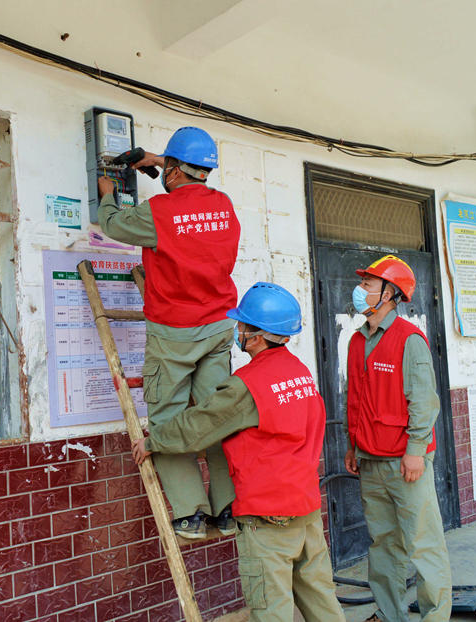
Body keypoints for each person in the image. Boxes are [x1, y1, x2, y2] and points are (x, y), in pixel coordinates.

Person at [132, 282, 346, 622]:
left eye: (242, 325)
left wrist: (152, 441)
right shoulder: (300, 373)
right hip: (306, 512)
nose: (237, 331)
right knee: (323, 606)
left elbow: (198, 425)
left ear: (257, 336)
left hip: (267, 520)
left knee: (272, 613)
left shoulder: (246, 385)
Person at [98, 127, 240, 539]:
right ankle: (227, 509)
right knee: (216, 415)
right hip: (219, 327)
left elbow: (113, 224)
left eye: (168, 167)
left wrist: (108, 192)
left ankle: (191, 514)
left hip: (175, 333)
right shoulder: (224, 206)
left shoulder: (158, 212)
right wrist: (160, 160)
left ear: (175, 170)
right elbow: (191, 187)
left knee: (167, 420)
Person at [344, 255, 452, 622]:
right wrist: (352, 445)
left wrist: (416, 451)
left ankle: (435, 616)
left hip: (406, 461)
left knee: (423, 543)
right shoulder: (356, 341)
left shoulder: (410, 340)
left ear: (389, 294)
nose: (360, 290)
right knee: (384, 544)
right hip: (370, 458)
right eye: (362, 283)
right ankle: (390, 614)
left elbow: (423, 401)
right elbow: (355, 398)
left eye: (368, 285)